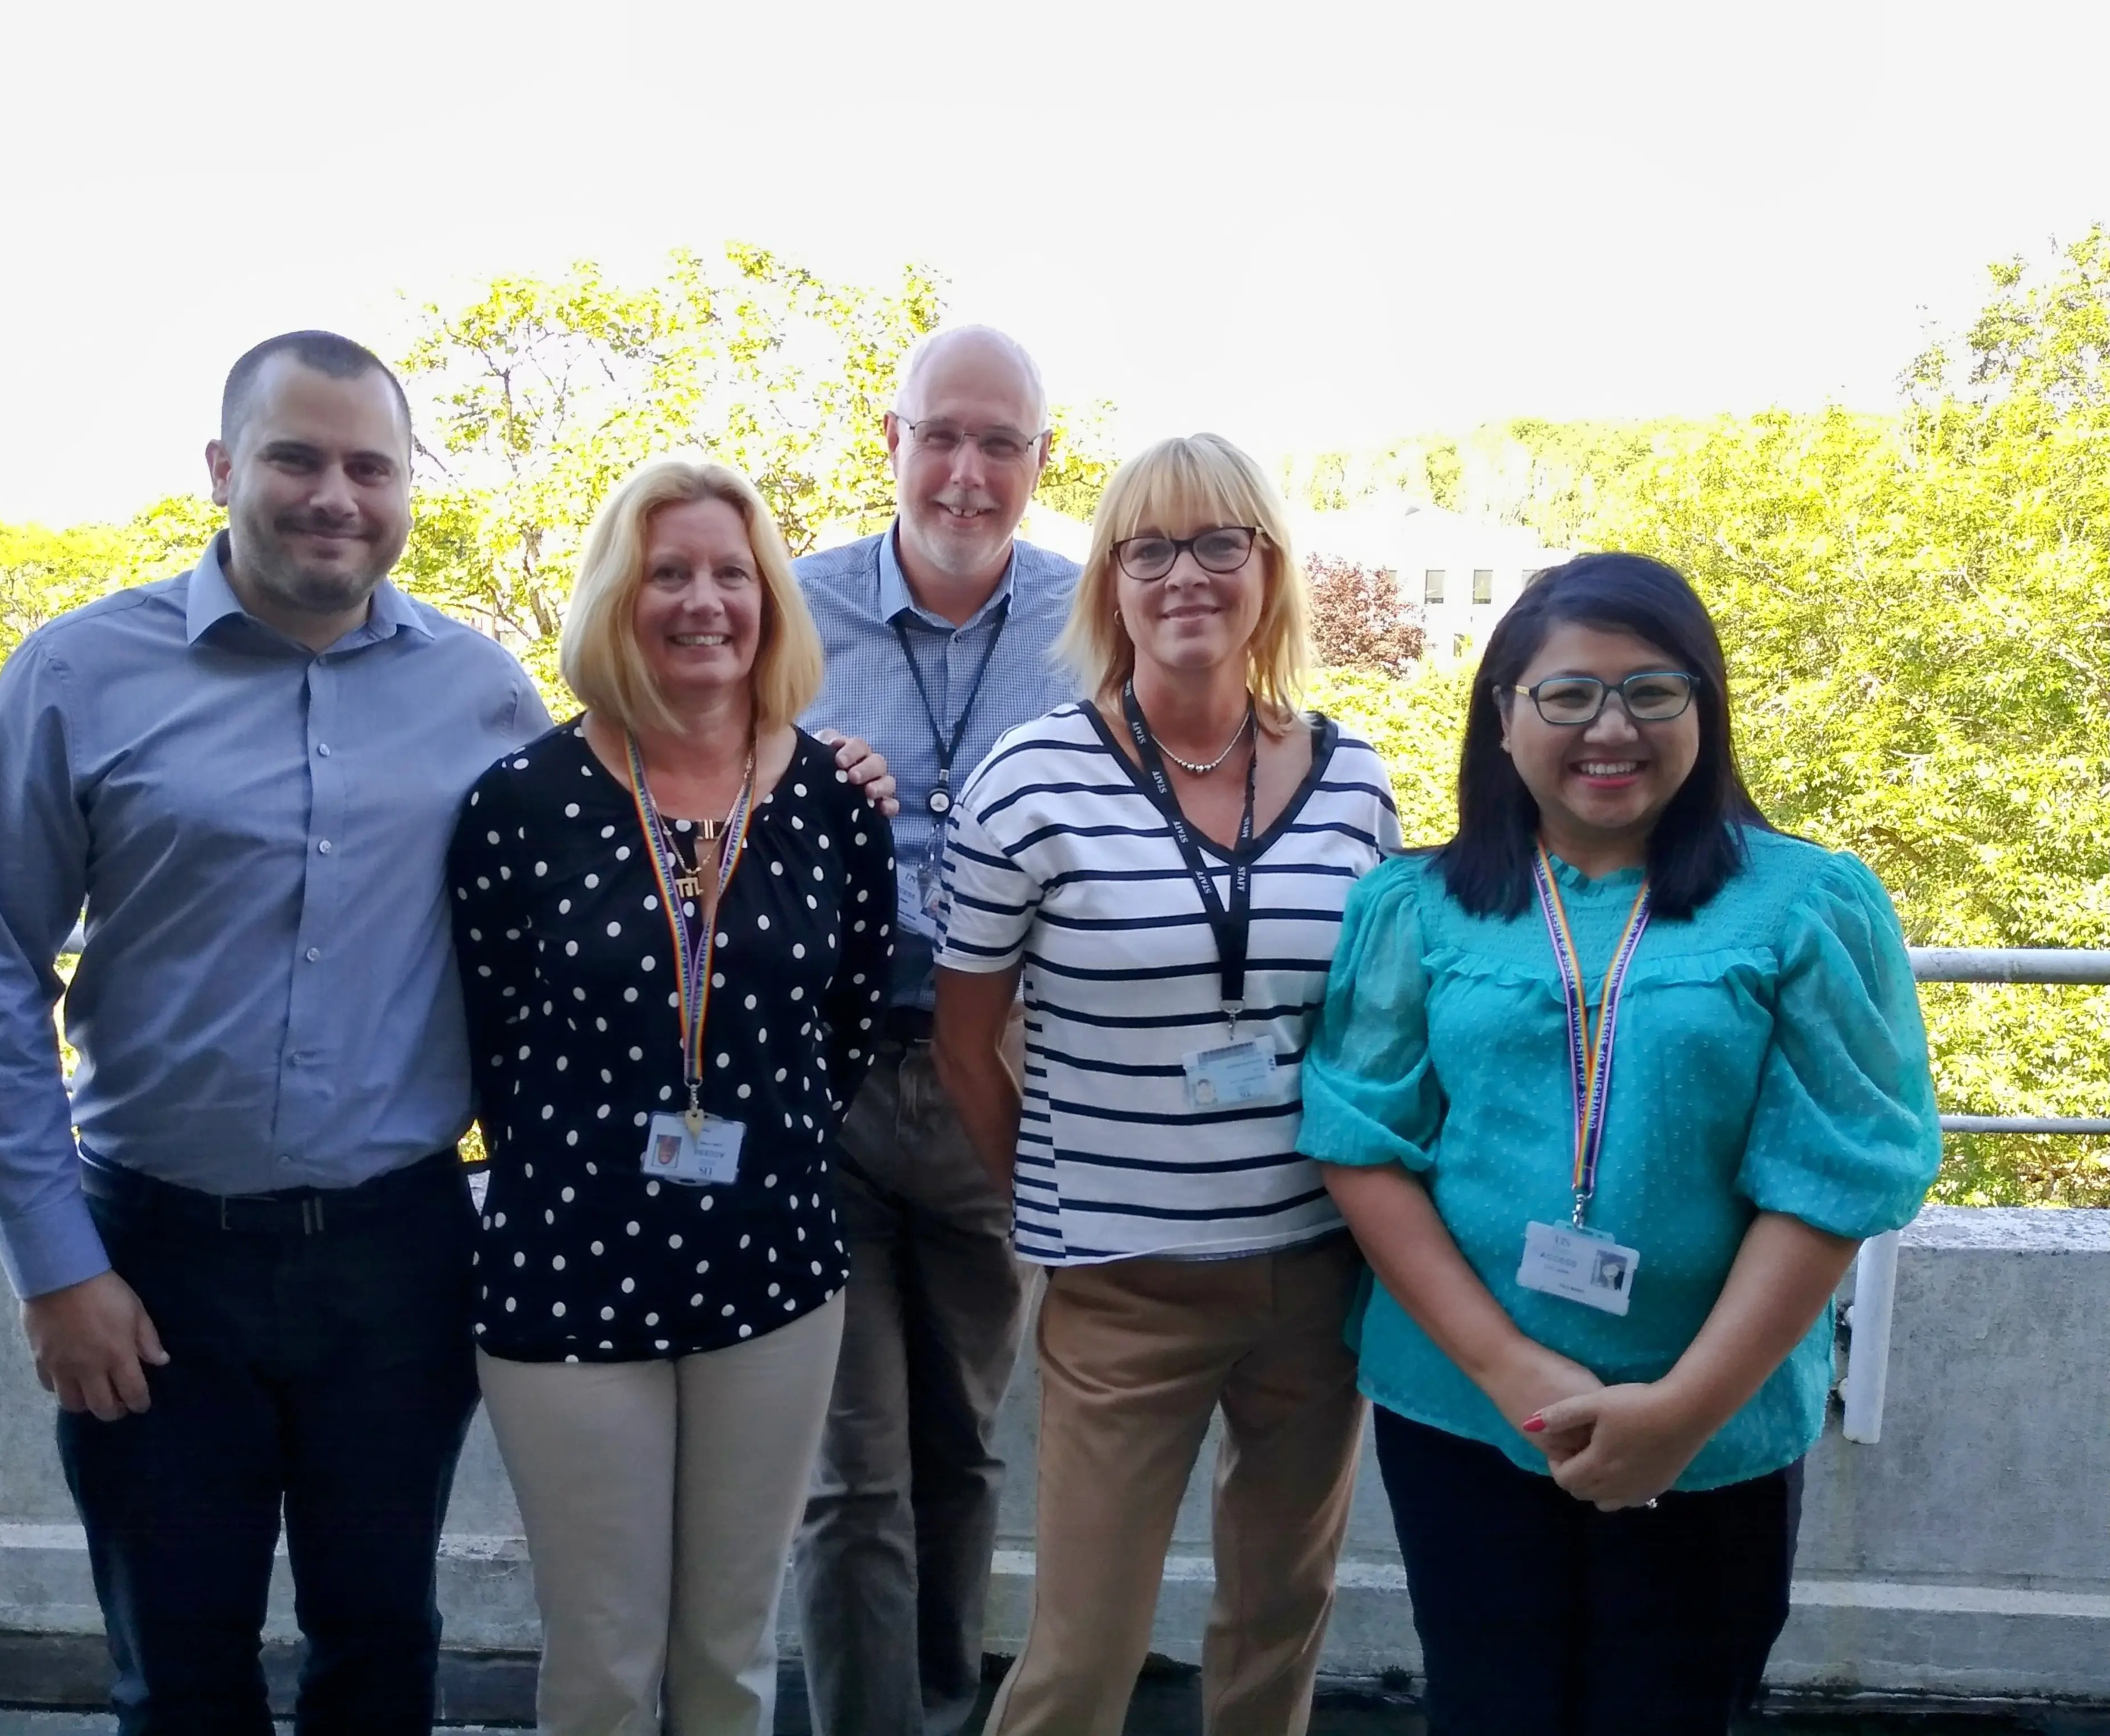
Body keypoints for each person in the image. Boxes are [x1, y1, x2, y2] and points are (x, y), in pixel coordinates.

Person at [0, 331, 552, 1735]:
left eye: (369, 466)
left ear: (404, 490)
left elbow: (583, 912)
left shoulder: (481, 691)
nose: (334, 494)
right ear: (222, 469)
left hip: (400, 1264)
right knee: (178, 1669)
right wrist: (53, 1269)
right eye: (296, 458)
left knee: (383, 1646)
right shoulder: (75, 676)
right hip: (152, 1272)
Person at [1299, 553, 1941, 1735]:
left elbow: (1837, 1172)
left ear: (1704, 707)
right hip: (1463, 1412)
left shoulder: (1804, 903)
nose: (1610, 726)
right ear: (1503, 717)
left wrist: (1681, 1412)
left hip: (1716, 1424)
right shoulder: (1413, 906)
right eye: (1567, 694)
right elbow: (1361, 1144)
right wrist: (1506, 1368)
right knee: (1489, 1706)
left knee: (1673, 1710)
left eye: (1652, 692)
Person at [933, 432, 1403, 1736]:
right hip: (1121, 1287)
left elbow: (1372, 1032)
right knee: (1082, 1654)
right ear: (1109, 582)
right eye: (1149, 548)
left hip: (1316, 1271)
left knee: (1276, 1623)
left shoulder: (1355, 782)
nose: (1184, 574)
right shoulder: (1029, 780)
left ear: (1268, 571)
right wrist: (1054, 1193)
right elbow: (963, 1042)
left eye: (1218, 543)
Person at [449, 456, 899, 1736]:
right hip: (566, 1273)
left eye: (731, 572)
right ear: (616, 598)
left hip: (772, 1271)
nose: (703, 600)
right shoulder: (517, 807)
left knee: (729, 1657)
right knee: (599, 1664)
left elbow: (845, 1027)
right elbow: (491, 1044)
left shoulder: (833, 802)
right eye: (667, 573)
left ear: (769, 597)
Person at [792, 325, 1084, 1735]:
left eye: (1000, 444)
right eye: (941, 436)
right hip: (826, 1082)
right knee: (849, 1470)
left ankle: (943, 1707)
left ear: (1041, 459)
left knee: (962, 1449)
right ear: (890, 441)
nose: (966, 473)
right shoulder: (792, 610)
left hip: (1002, 1080)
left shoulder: (1099, 619)